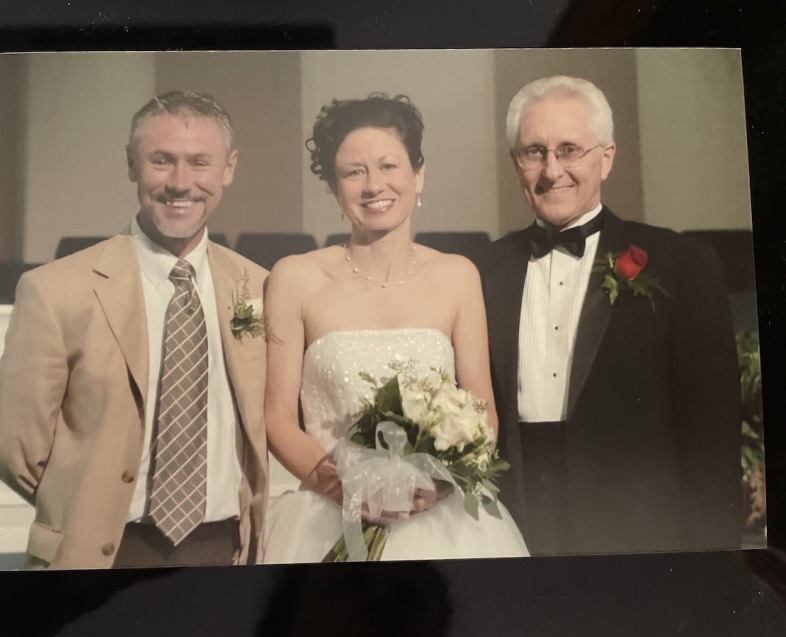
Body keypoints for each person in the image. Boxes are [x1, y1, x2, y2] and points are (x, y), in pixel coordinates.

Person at [0, 91, 269, 569]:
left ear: (229, 168)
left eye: (200, 162)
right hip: (100, 553)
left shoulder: (260, 287)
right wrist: (85, 508)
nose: (181, 183)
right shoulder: (55, 290)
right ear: (131, 164)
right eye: (161, 161)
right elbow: (12, 449)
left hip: (227, 550)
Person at [479, 75, 743, 555]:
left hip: (637, 533)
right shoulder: (482, 271)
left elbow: (712, 441)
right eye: (534, 151)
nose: (551, 169)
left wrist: (715, 569)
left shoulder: (681, 264)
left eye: (569, 149)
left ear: (607, 157)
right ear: (516, 163)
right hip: (512, 527)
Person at [262, 94, 528, 562]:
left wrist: (443, 484)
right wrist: (346, 491)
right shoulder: (294, 278)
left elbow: (482, 409)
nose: (373, 186)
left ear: (418, 174)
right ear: (334, 188)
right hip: (326, 514)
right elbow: (277, 419)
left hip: (442, 524)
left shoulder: (458, 276)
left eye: (388, 166)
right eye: (353, 172)